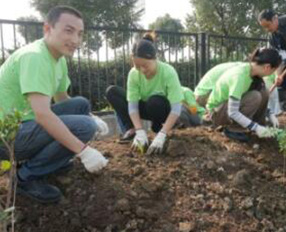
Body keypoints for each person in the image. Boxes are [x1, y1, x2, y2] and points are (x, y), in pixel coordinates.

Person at [0, 6, 108, 203]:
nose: (75, 40)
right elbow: (42, 115)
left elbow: (62, 100)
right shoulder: (34, 56)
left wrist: (92, 115)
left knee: (81, 105)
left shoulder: (58, 59)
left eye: (79, 34)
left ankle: (52, 161)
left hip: (25, 126)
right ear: (47, 29)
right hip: (6, 137)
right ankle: (26, 177)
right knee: (84, 127)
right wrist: (84, 151)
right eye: (68, 31)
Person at [106, 32, 184, 154]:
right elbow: (132, 105)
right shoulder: (133, 74)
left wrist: (163, 134)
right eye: (137, 66)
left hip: (162, 110)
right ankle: (131, 130)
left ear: (154, 59)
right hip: (145, 108)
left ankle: (160, 129)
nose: (141, 70)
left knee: (155, 101)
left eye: (145, 65)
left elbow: (176, 108)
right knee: (112, 92)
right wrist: (140, 130)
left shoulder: (168, 72)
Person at [206, 47, 282, 142]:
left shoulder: (252, 73)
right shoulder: (239, 76)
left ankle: (260, 126)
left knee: (264, 91)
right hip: (217, 113)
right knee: (255, 96)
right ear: (267, 67)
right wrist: (255, 127)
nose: (273, 73)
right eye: (273, 70)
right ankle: (234, 130)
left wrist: (270, 114)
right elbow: (232, 112)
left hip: (226, 109)